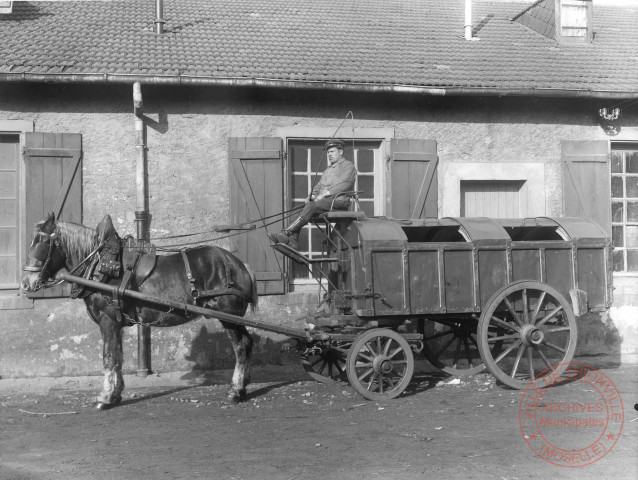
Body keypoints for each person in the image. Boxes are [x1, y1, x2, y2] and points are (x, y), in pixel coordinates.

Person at [269, 139, 357, 250]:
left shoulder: (348, 166)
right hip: (325, 203)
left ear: (340, 152)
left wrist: (324, 194)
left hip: (338, 202)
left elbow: (345, 184)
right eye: (328, 152)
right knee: (299, 209)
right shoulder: (328, 170)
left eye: (332, 151)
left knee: (312, 206)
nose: (329, 154)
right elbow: (319, 186)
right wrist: (312, 196)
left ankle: (286, 233)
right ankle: (293, 242)